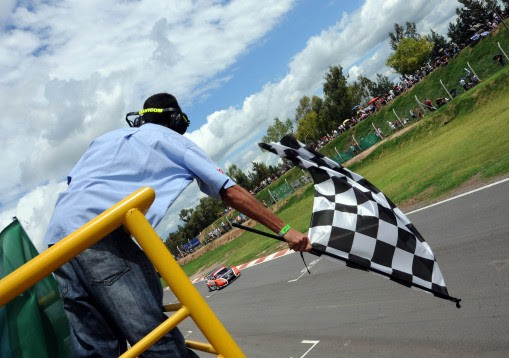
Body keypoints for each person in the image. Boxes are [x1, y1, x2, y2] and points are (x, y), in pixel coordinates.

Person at [44, 93, 311, 357]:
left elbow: (75, 184)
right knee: (153, 337)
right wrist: (285, 230)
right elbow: (227, 190)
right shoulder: (169, 139)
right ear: (173, 119)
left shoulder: (104, 140)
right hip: (101, 234)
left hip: (58, 241)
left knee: (95, 348)